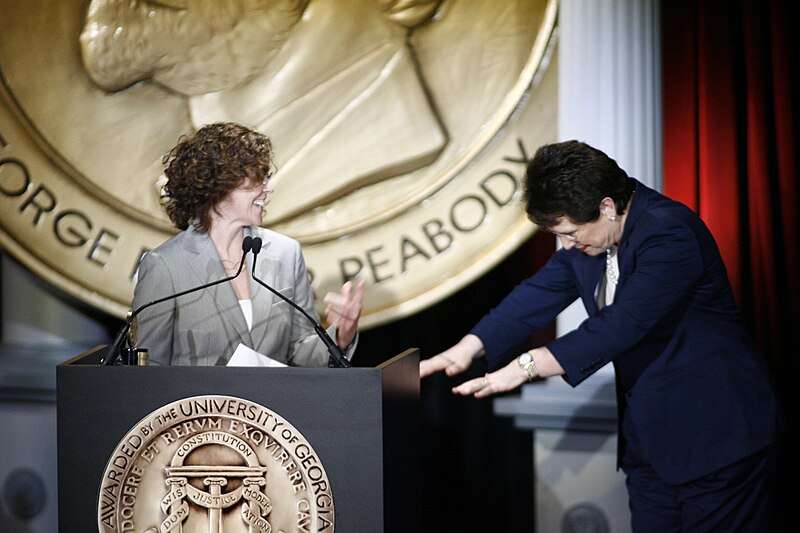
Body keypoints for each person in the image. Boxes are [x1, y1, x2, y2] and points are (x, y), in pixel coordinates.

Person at [420, 140, 783, 531]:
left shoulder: (669, 232)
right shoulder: (590, 241)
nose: (567, 246)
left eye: (571, 233)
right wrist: (468, 347)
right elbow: (536, 294)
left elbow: (620, 325)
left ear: (607, 207)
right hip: (650, 447)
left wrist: (526, 366)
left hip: (719, 438)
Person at [132, 122, 364, 366]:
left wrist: (341, 335)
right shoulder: (165, 266)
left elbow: (300, 351)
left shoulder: (286, 253)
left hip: (274, 404)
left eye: (268, 177)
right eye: (258, 179)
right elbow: (150, 369)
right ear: (220, 185)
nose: (269, 188)